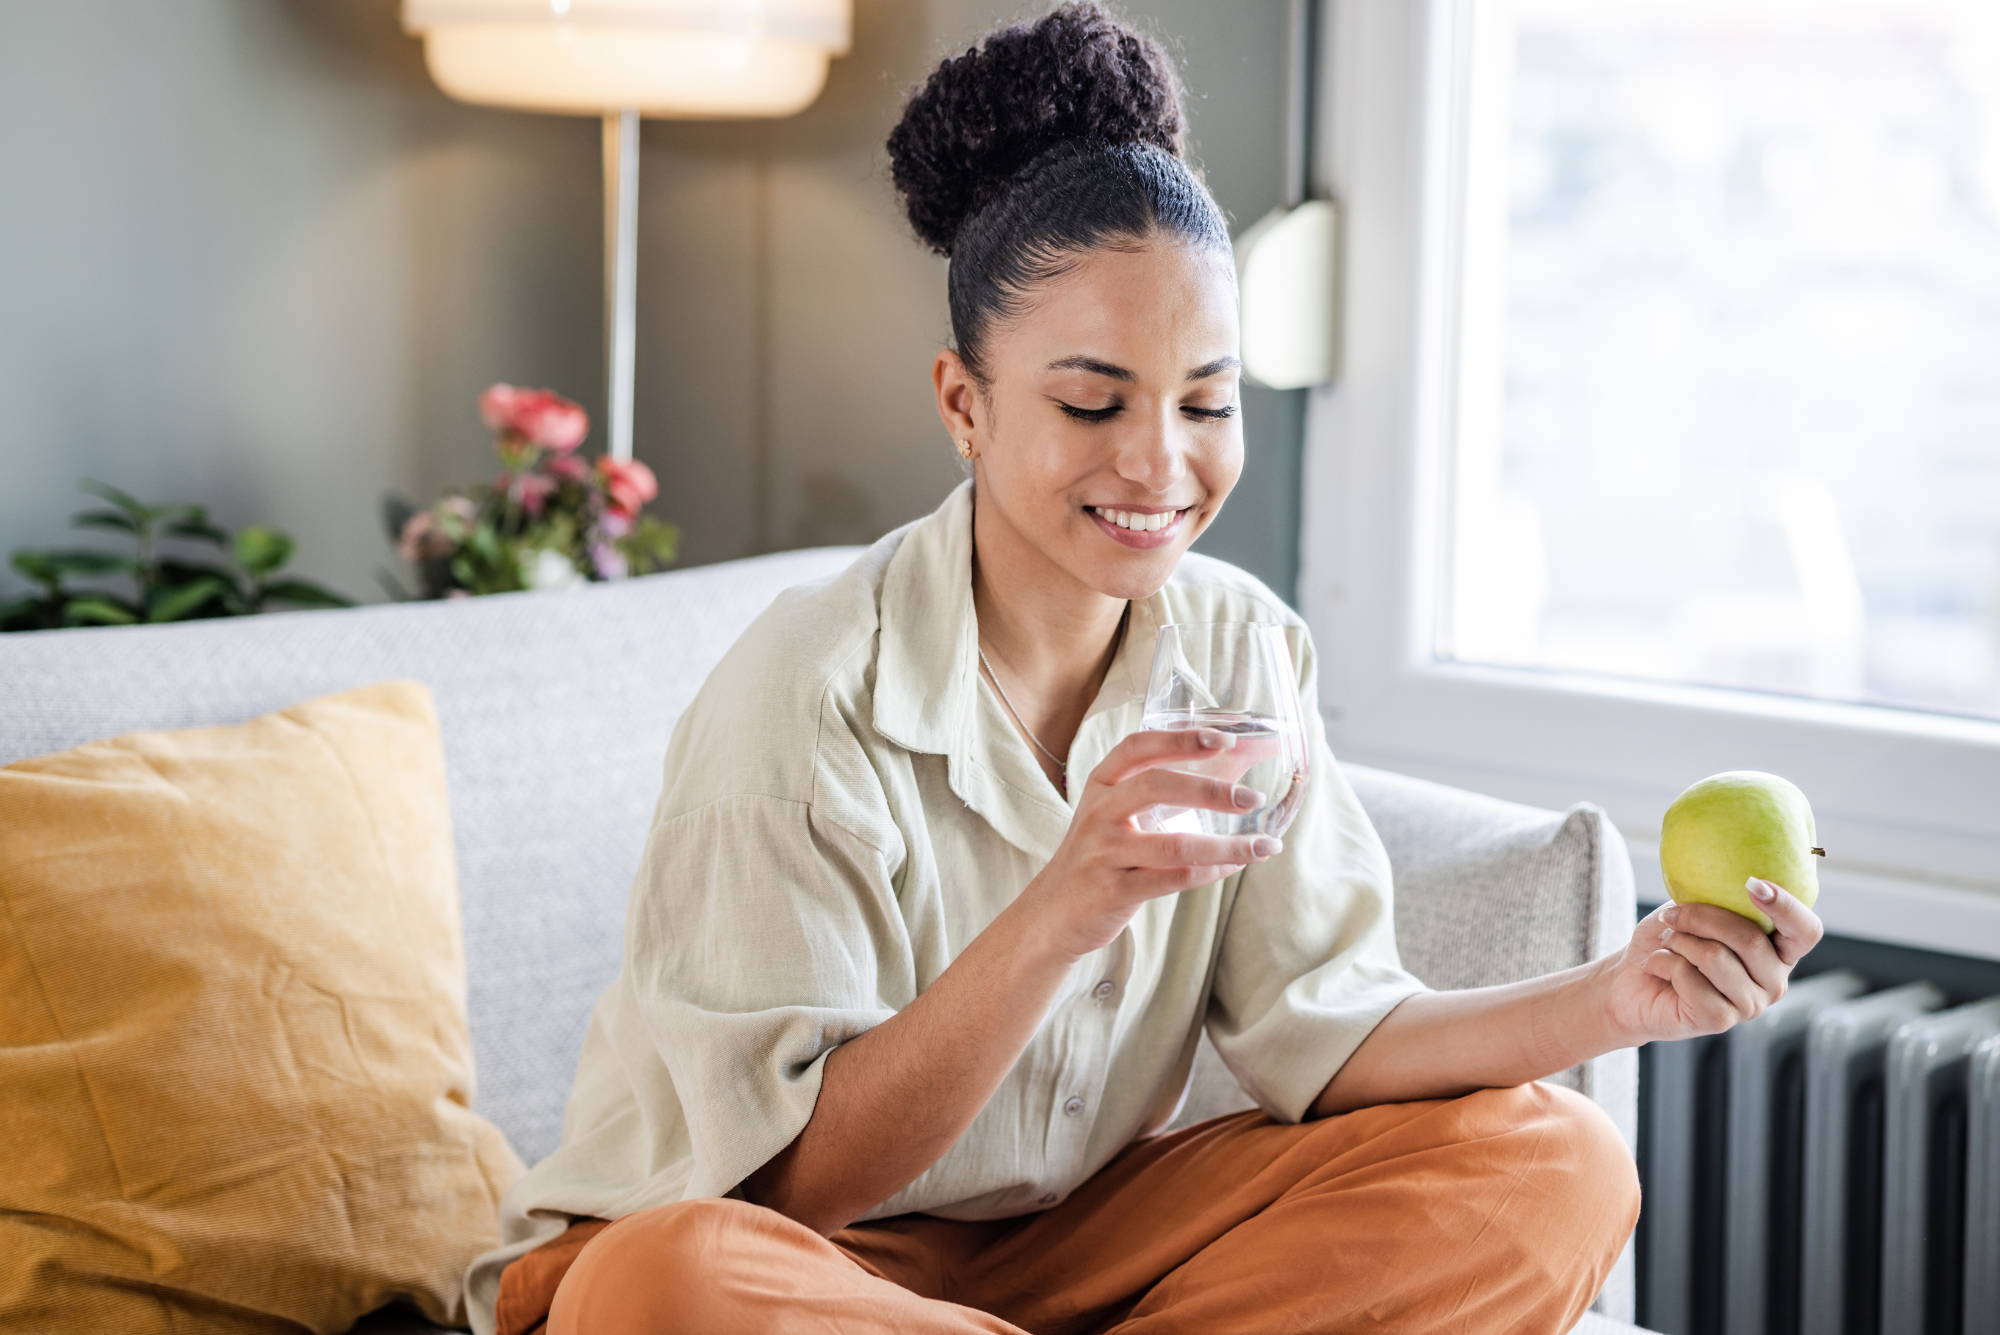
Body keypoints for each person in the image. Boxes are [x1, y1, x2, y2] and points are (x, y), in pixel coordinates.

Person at [464, 6, 1823, 1332]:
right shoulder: (810, 693)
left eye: (1208, 402)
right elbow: (793, 1183)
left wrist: (1617, 991)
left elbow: (1327, 1029)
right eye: (1092, 403)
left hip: (1076, 1239)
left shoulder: (1241, 646)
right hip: (787, 1248)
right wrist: (1069, 902)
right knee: (670, 1286)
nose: (1161, 466)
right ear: (964, 402)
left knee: (1556, 1162)